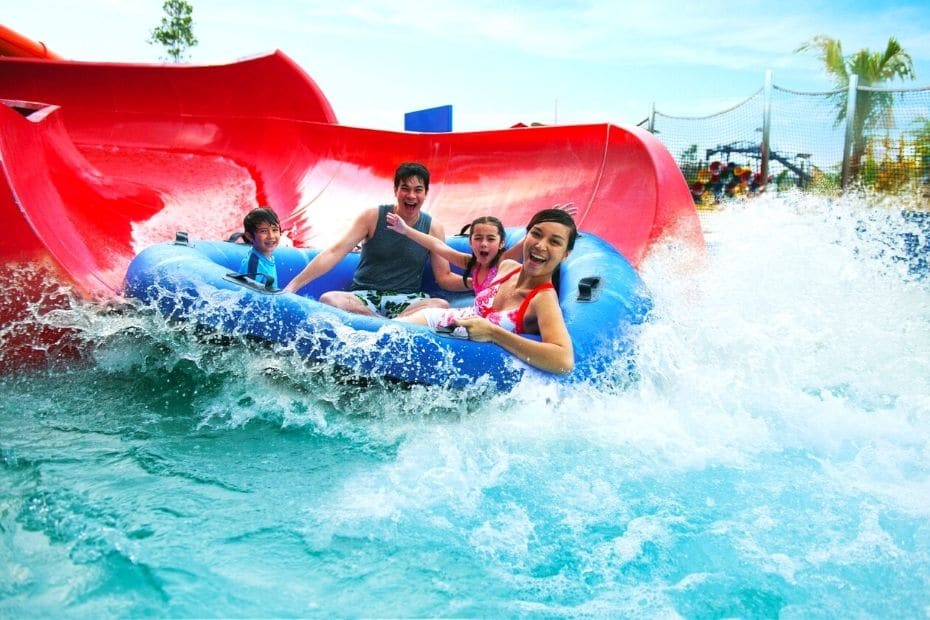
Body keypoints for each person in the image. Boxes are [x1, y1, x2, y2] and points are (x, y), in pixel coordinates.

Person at [396, 208, 577, 374]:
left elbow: (564, 361)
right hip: (442, 320)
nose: (540, 245)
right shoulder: (507, 267)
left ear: (565, 254)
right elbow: (438, 247)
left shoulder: (543, 298)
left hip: (461, 349)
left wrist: (493, 333)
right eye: (536, 234)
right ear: (526, 236)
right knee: (383, 332)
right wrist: (405, 230)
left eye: (554, 241)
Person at [282, 162, 462, 318]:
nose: (411, 196)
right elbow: (334, 252)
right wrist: (292, 286)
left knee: (441, 305)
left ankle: (391, 322)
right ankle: (382, 323)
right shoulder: (373, 217)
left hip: (407, 300)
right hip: (364, 297)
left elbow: (444, 277)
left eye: (418, 190)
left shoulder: (433, 227)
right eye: (405, 188)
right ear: (395, 190)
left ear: (426, 193)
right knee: (329, 299)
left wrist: (481, 282)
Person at [386, 212, 508, 294]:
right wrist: (406, 230)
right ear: (470, 242)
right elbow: (436, 245)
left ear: (501, 243)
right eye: (478, 238)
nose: (484, 244)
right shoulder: (472, 264)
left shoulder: (504, 263)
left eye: (491, 239)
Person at [239, 207, 281, 287]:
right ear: (250, 236)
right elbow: (249, 295)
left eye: (275, 230)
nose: (271, 236)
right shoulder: (254, 265)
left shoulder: (267, 256)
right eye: (263, 231)